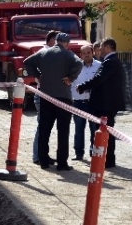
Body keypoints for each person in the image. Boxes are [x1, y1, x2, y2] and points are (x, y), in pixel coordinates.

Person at [23, 33, 83, 171]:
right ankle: (62, 163)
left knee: (44, 129)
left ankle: (43, 160)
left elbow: (27, 62)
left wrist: (38, 75)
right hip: (63, 97)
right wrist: (70, 77)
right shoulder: (68, 55)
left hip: (46, 97)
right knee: (63, 131)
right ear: (67, 43)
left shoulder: (44, 53)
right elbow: (79, 63)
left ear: (56, 41)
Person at [76, 38, 126, 169]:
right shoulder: (111, 61)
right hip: (106, 103)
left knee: (106, 132)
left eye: (102, 46)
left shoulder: (111, 62)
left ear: (108, 47)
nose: (100, 49)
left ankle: (108, 160)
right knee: (105, 131)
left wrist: (83, 86)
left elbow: (99, 78)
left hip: (106, 104)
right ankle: (106, 158)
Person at [70, 44, 102, 161]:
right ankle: (78, 153)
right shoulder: (76, 67)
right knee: (79, 129)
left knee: (94, 129)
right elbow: (72, 84)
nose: (87, 55)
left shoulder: (99, 66)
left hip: (93, 103)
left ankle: (93, 152)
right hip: (78, 102)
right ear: (81, 55)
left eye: (89, 52)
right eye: (84, 53)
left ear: (93, 53)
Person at [32, 30, 59, 165]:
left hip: (50, 94)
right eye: (58, 41)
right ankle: (37, 155)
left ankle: (43, 154)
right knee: (43, 126)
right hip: (43, 95)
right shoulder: (45, 54)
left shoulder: (52, 54)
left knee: (46, 127)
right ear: (51, 41)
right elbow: (30, 65)